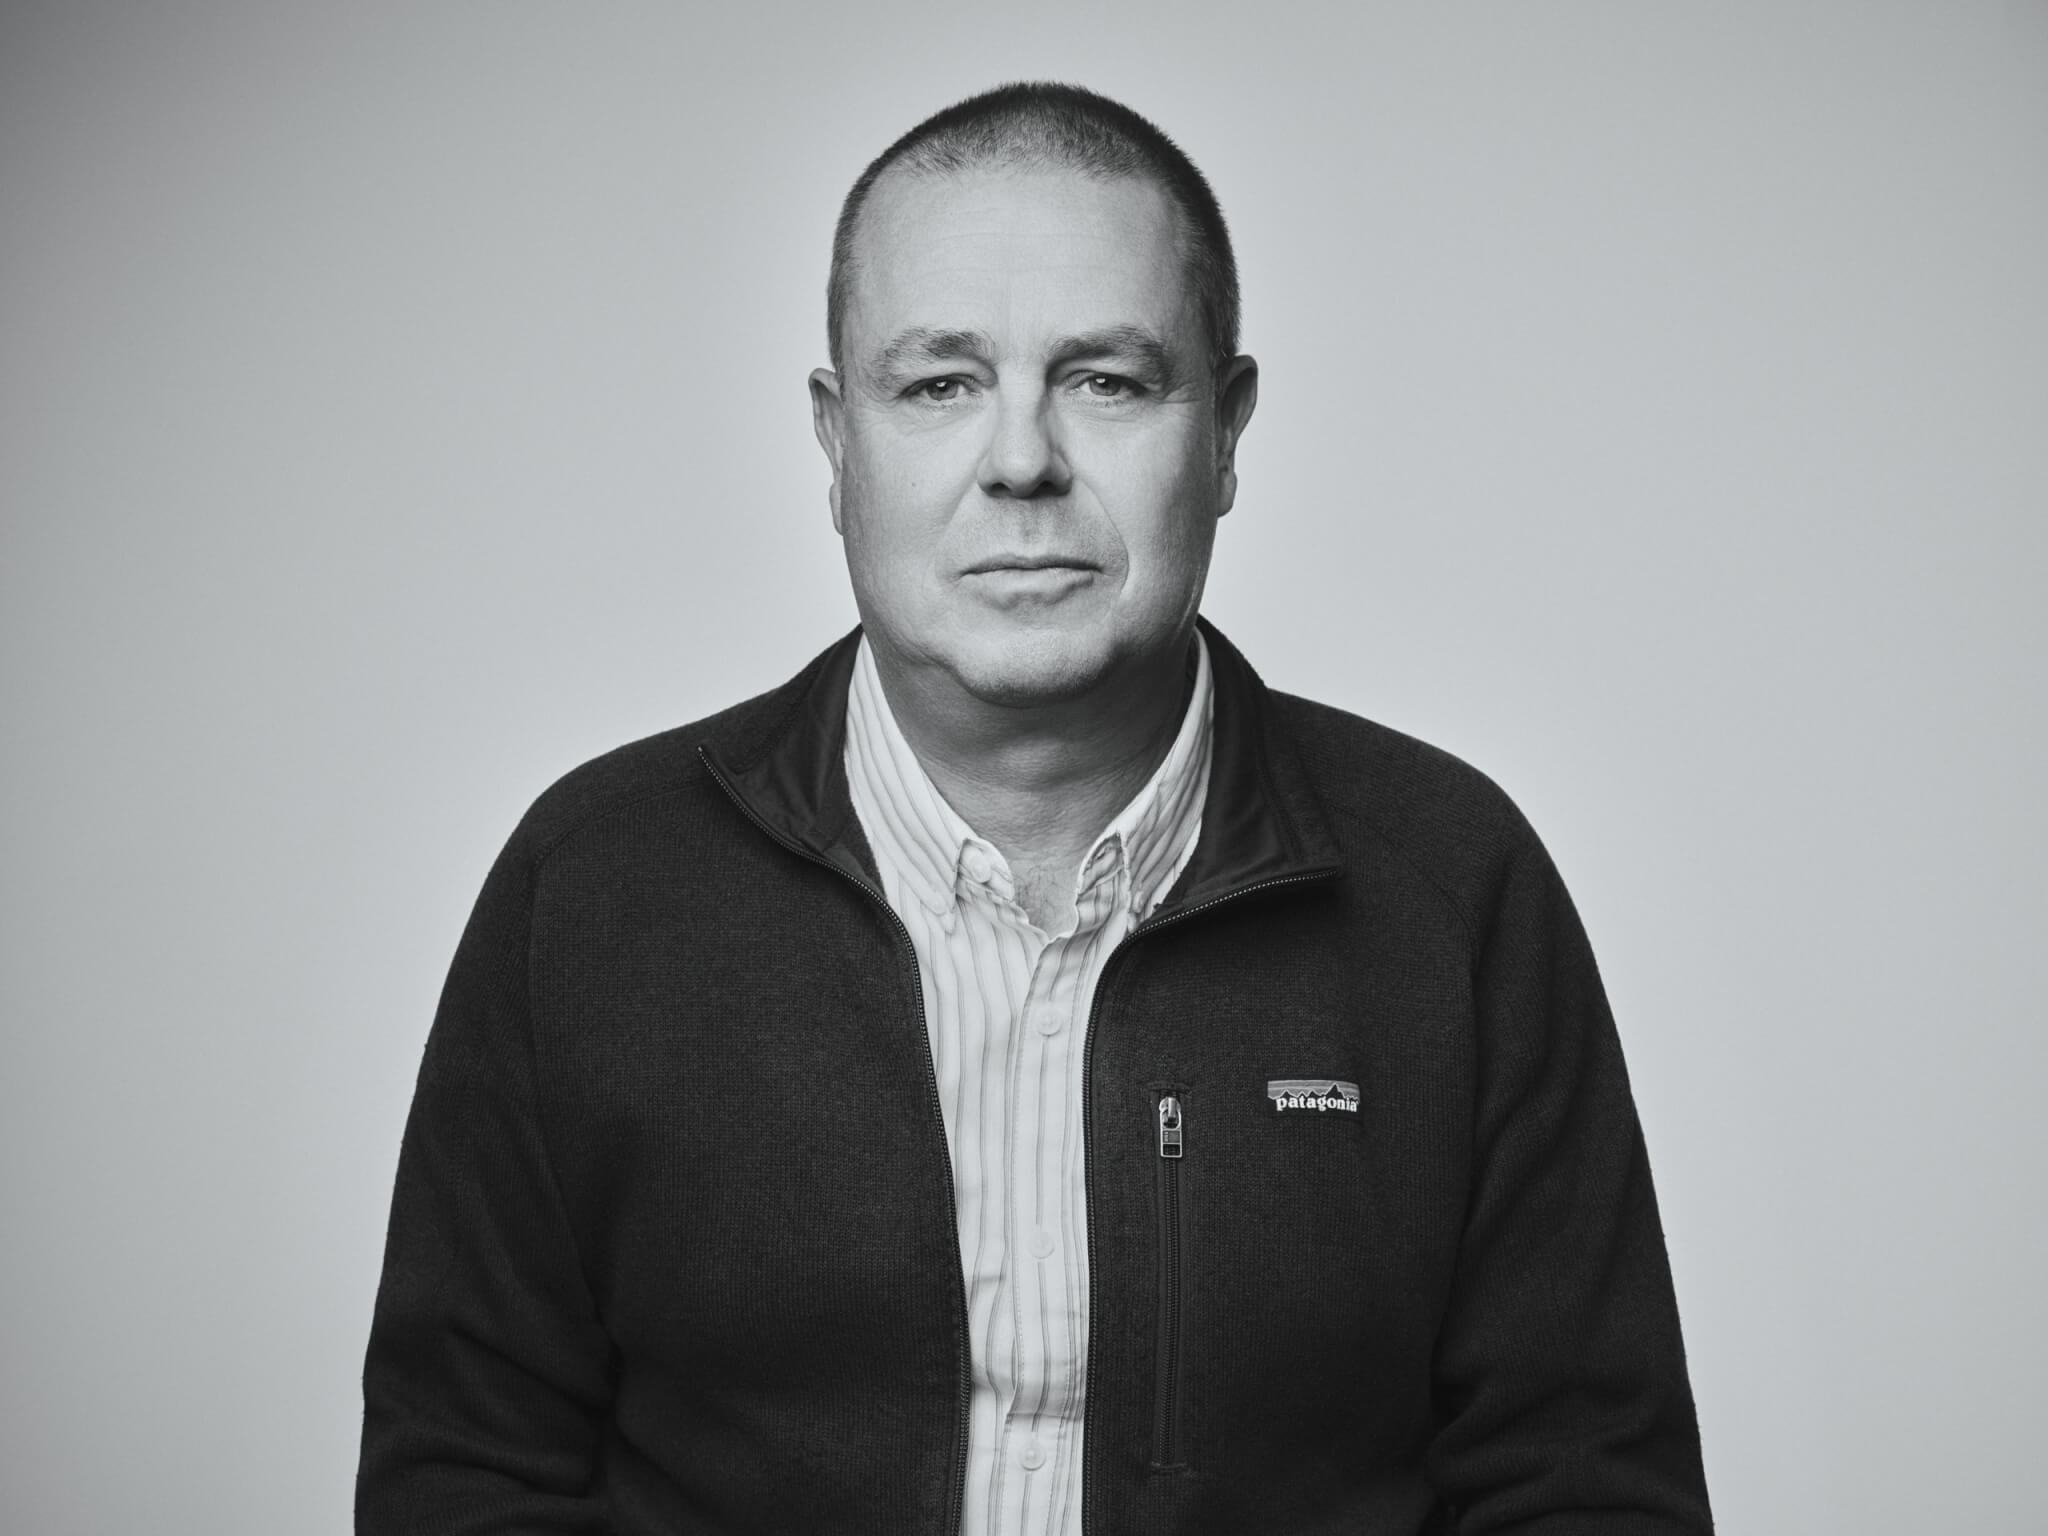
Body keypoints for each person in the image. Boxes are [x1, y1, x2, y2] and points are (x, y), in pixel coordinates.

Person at [358, 82, 1713, 1535]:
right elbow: (466, 1480)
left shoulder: (1450, 886)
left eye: (1108, 381)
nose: (1022, 461)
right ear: (836, 442)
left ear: (1227, 432)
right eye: (940, 384)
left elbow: (1583, 1490)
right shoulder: (597, 888)